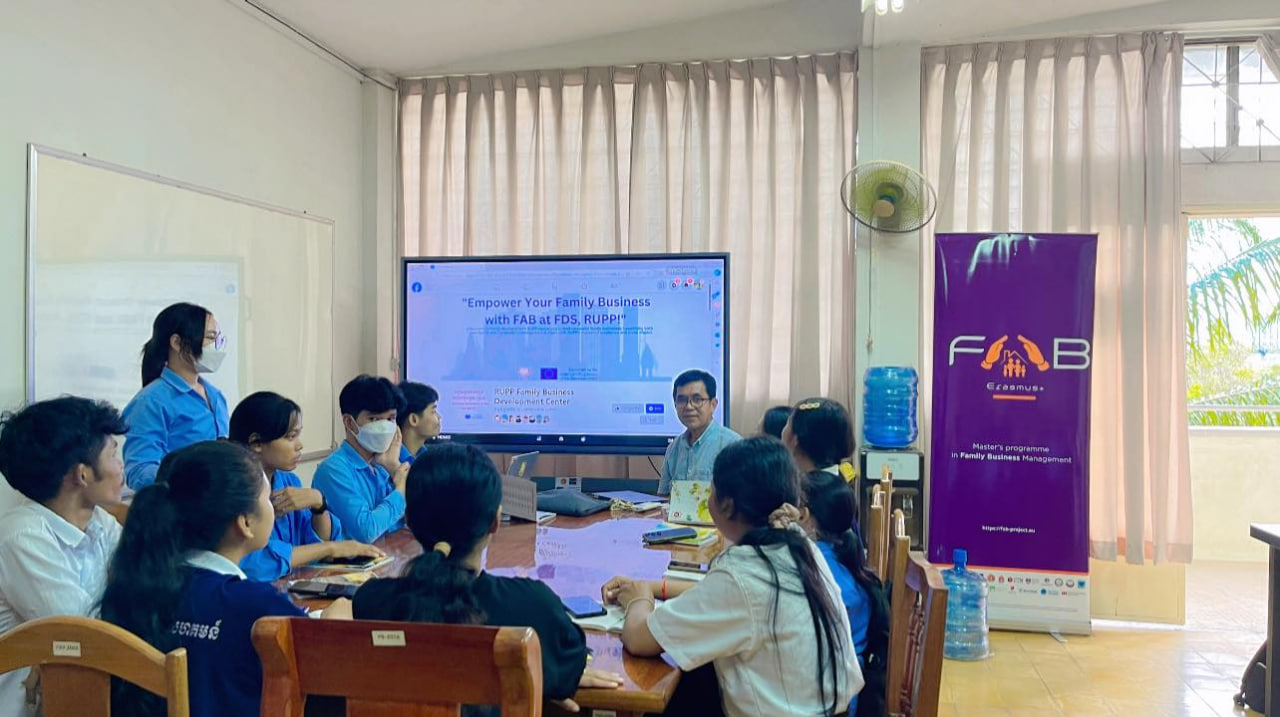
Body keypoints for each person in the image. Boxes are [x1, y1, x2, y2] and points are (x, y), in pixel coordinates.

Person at [353, 443, 622, 714]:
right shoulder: (533, 607)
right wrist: (550, 677)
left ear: (409, 519)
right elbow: (570, 665)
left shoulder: (370, 603)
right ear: (495, 521)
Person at [603, 437, 862, 717]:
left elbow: (638, 639)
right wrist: (652, 586)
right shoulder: (798, 545)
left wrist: (639, 600)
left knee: (682, 682)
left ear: (726, 505)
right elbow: (724, 596)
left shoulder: (742, 574)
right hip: (830, 710)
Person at [100, 441, 351, 717]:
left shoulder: (134, 587)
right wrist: (334, 626)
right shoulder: (259, 607)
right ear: (245, 522)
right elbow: (325, 679)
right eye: (267, 498)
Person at [0, 397, 128, 716]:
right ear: (82, 475)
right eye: (113, 454)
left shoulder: (99, 521)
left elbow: (142, 584)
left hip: (75, 694)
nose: (121, 466)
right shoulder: (22, 537)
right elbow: (83, 632)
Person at [785, 398, 889, 717]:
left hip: (827, 693)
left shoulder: (815, 499)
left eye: (787, 424)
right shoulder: (832, 489)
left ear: (795, 439)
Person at [229, 391, 383, 581]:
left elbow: (317, 542)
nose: (299, 445)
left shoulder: (289, 481)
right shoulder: (233, 492)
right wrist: (329, 548)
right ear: (256, 443)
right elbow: (254, 563)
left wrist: (319, 505)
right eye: (290, 437)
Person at [122, 302, 230, 490]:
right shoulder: (151, 401)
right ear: (177, 343)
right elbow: (139, 471)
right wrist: (191, 480)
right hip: (180, 504)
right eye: (210, 338)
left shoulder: (215, 396)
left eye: (218, 339)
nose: (216, 347)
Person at [312, 375, 409, 543]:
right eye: (374, 419)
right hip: (350, 559)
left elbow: (423, 519)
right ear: (349, 423)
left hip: (390, 555)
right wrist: (400, 491)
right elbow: (367, 531)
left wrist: (394, 467)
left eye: (391, 419)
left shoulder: (384, 461)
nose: (385, 427)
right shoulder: (334, 470)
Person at [656, 369, 741, 496]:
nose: (688, 406)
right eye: (682, 400)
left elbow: (742, 499)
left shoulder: (733, 446)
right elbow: (663, 497)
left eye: (697, 399)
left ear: (713, 404)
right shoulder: (673, 449)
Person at [395, 381, 441, 465]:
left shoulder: (428, 456)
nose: (439, 417)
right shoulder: (391, 461)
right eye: (433, 411)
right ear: (413, 419)